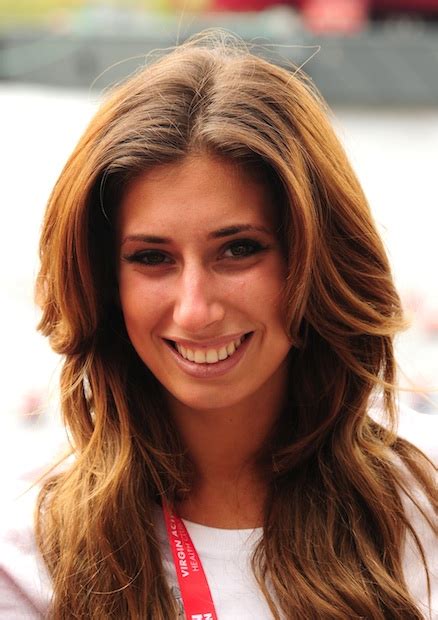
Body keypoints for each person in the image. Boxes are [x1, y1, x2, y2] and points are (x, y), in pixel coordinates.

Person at [1, 31, 437, 620]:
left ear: (316, 259)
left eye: (239, 250)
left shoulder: (424, 507)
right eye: (152, 257)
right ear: (105, 282)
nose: (195, 310)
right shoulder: (29, 557)